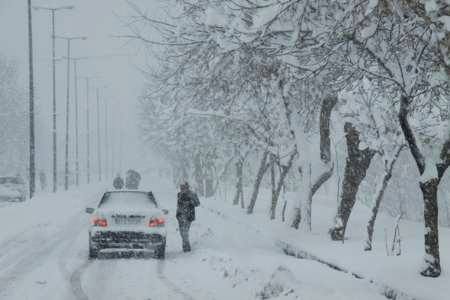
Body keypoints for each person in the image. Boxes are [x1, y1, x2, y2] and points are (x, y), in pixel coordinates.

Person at [176, 182, 200, 252]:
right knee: (181, 232)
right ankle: (185, 245)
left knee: (185, 231)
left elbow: (197, 203)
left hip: (188, 215)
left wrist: (191, 202)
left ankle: (186, 247)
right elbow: (179, 205)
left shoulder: (192, 194)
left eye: (183, 187)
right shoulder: (179, 194)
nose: (182, 189)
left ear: (187, 187)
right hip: (180, 215)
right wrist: (178, 213)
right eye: (181, 187)